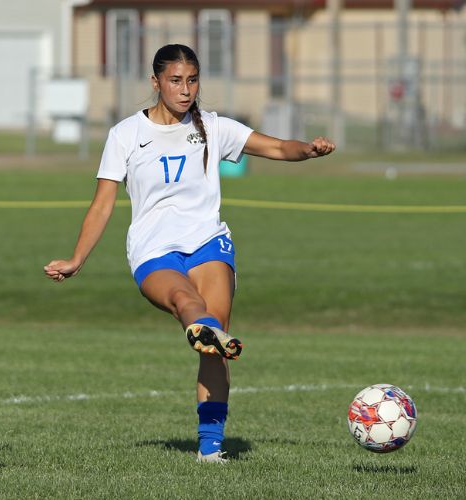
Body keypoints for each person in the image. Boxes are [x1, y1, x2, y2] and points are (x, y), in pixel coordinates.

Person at [44, 44, 335, 463]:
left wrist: (307, 149)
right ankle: (201, 328)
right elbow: (102, 204)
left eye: (192, 80)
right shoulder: (125, 134)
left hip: (208, 241)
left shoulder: (213, 127)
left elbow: (273, 147)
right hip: (152, 250)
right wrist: (77, 258)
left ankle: (211, 450)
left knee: (214, 336)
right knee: (188, 303)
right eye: (176, 81)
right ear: (156, 82)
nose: (185, 90)